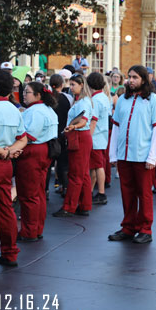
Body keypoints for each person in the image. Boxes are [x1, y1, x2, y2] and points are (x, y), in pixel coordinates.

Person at [107, 66, 156, 244]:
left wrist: (152, 156)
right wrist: (113, 155)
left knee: (144, 194)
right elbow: (116, 127)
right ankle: (129, 227)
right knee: (127, 193)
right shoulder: (123, 100)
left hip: (143, 157)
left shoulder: (153, 100)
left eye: (135, 77)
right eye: (129, 77)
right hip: (124, 156)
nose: (131, 80)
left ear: (143, 80)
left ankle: (145, 229)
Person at [0, 69, 27, 272]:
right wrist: (10, 152)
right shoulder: (14, 109)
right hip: (5, 165)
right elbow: (23, 138)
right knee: (6, 209)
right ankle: (10, 253)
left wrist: (2, 152)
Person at [16, 82, 58, 241]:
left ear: (38, 95)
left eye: (28, 92)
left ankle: (29, 231)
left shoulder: (35, 112)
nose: (24, 94)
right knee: (38, 193)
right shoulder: (46, 109)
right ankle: (36, 228)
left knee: (28, 194)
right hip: (44, 151)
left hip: (33, 152)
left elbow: (28, 136)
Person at [52, 75, 93, 218]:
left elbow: (84, 120)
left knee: (75, 174)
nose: (71, 87)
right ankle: (84, 205)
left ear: (82, 85)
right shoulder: (82, 101)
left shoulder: (83, 102)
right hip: (80, 136)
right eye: (70, 84)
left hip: (79, 136)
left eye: (73, 84)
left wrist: (72, 127)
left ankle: (69, 207)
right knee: (83, 174)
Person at [87, 72, 111, 206]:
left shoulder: (95, 100)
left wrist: (88, 137)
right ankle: (91, 190)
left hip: (96, 137)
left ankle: (101, 193)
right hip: (102, 136)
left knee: (98, 166)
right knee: (96, 166)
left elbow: (93, 121)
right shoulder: (104, 97)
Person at [48, 74, 72, 197]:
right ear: (62, 85)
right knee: (63, 163)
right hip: (62, 134)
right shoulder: (67, 98)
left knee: (48, 165)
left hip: (49, 135)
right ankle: (65, 187)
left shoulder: (47, 98)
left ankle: (45, 190)